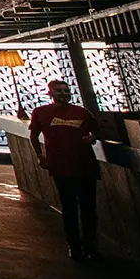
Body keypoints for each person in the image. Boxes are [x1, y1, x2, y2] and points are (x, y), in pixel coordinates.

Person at [29, 80, 102, 260]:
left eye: (66, 90)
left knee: (88, 207)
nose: (64, 93)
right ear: (50, 94)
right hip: (60, 166)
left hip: (85, 165)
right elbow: (33, 135)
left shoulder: (82, 112)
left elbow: (98, 130)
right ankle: (74, 245)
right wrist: (40, 155)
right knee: (69, 207)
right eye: (59, 91)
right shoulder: (40, 112)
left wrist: (92, 138)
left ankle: (90, 244)